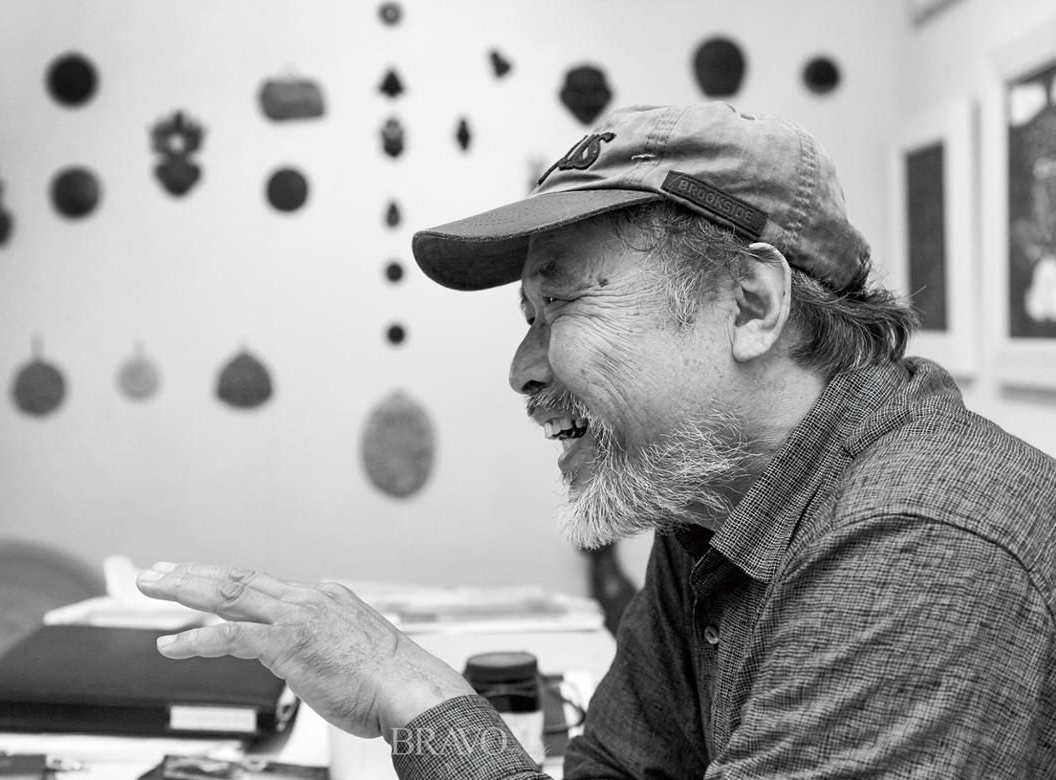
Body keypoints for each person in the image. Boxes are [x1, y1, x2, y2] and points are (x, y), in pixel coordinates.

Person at [137, 102, 1056, 777]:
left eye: (563, 304)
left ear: (750, 305)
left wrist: (408, 690)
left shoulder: (924, 543)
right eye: (527, 318)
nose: (522, 370)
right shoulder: (720, 504)